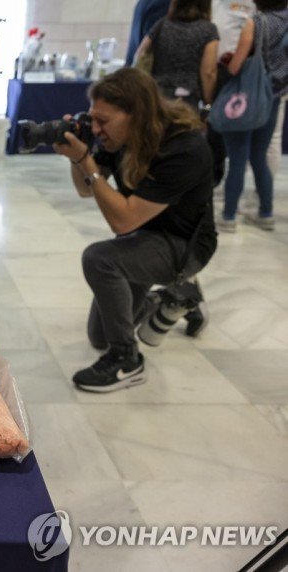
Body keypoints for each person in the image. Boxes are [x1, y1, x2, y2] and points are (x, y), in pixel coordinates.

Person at [53, 68, 217, 392]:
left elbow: (123, 220)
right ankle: (175, 295)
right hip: (143, 236)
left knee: (100, 259)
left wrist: (86, 160)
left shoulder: (184, 148)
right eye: (93, 119)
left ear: (136, 115)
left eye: (103, 121)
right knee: (100, 336)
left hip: (183, 246)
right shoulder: (118, 137)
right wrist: (78, 157)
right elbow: (86, 189)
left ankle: (127, 361)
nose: (96, 129)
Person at [220, 0, 288, 231]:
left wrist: (227, 63)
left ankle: (229, 216)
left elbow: (236, 66)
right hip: (274, 95)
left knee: (238, 158)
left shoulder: (256, 22)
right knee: (259, 156)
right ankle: (266, 213)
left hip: (248, 95)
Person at [135, 0, 220, 108]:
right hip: (187, 99)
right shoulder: (209, 30)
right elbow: (208, 71)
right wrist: (208, 100)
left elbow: (140, 54)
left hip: (157, 95)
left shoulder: (162, 24)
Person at [125, 0, 172, 66]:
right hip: (148, 67)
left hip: (136, 64)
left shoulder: (144, 2)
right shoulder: (165, 3)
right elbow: (151, 38)